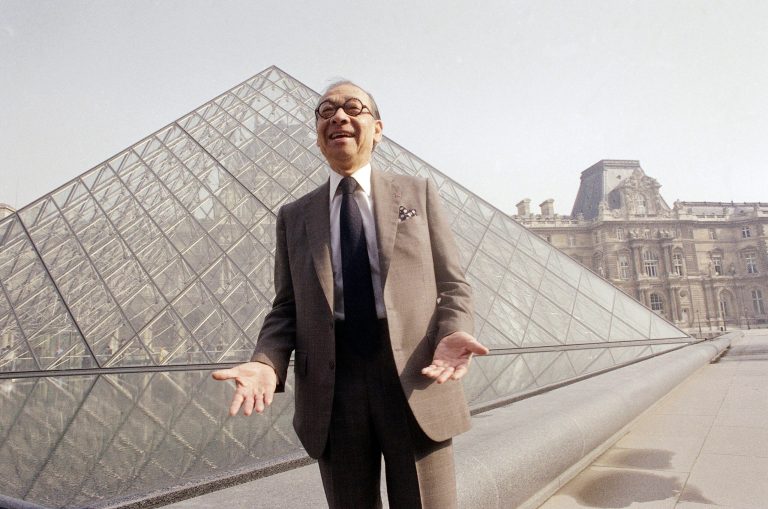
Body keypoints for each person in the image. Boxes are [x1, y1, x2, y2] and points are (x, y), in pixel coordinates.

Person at [213, 80, 488, 508]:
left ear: (377, 129)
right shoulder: (293, 216)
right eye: (326, 111)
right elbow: (286, 307)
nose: (338, 116)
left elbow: (453, 284)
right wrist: (267, 361)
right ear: (318, 135)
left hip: (415, 373)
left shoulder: (418, 192)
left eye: (353, 108)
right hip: (332, 385)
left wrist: (452, 330)